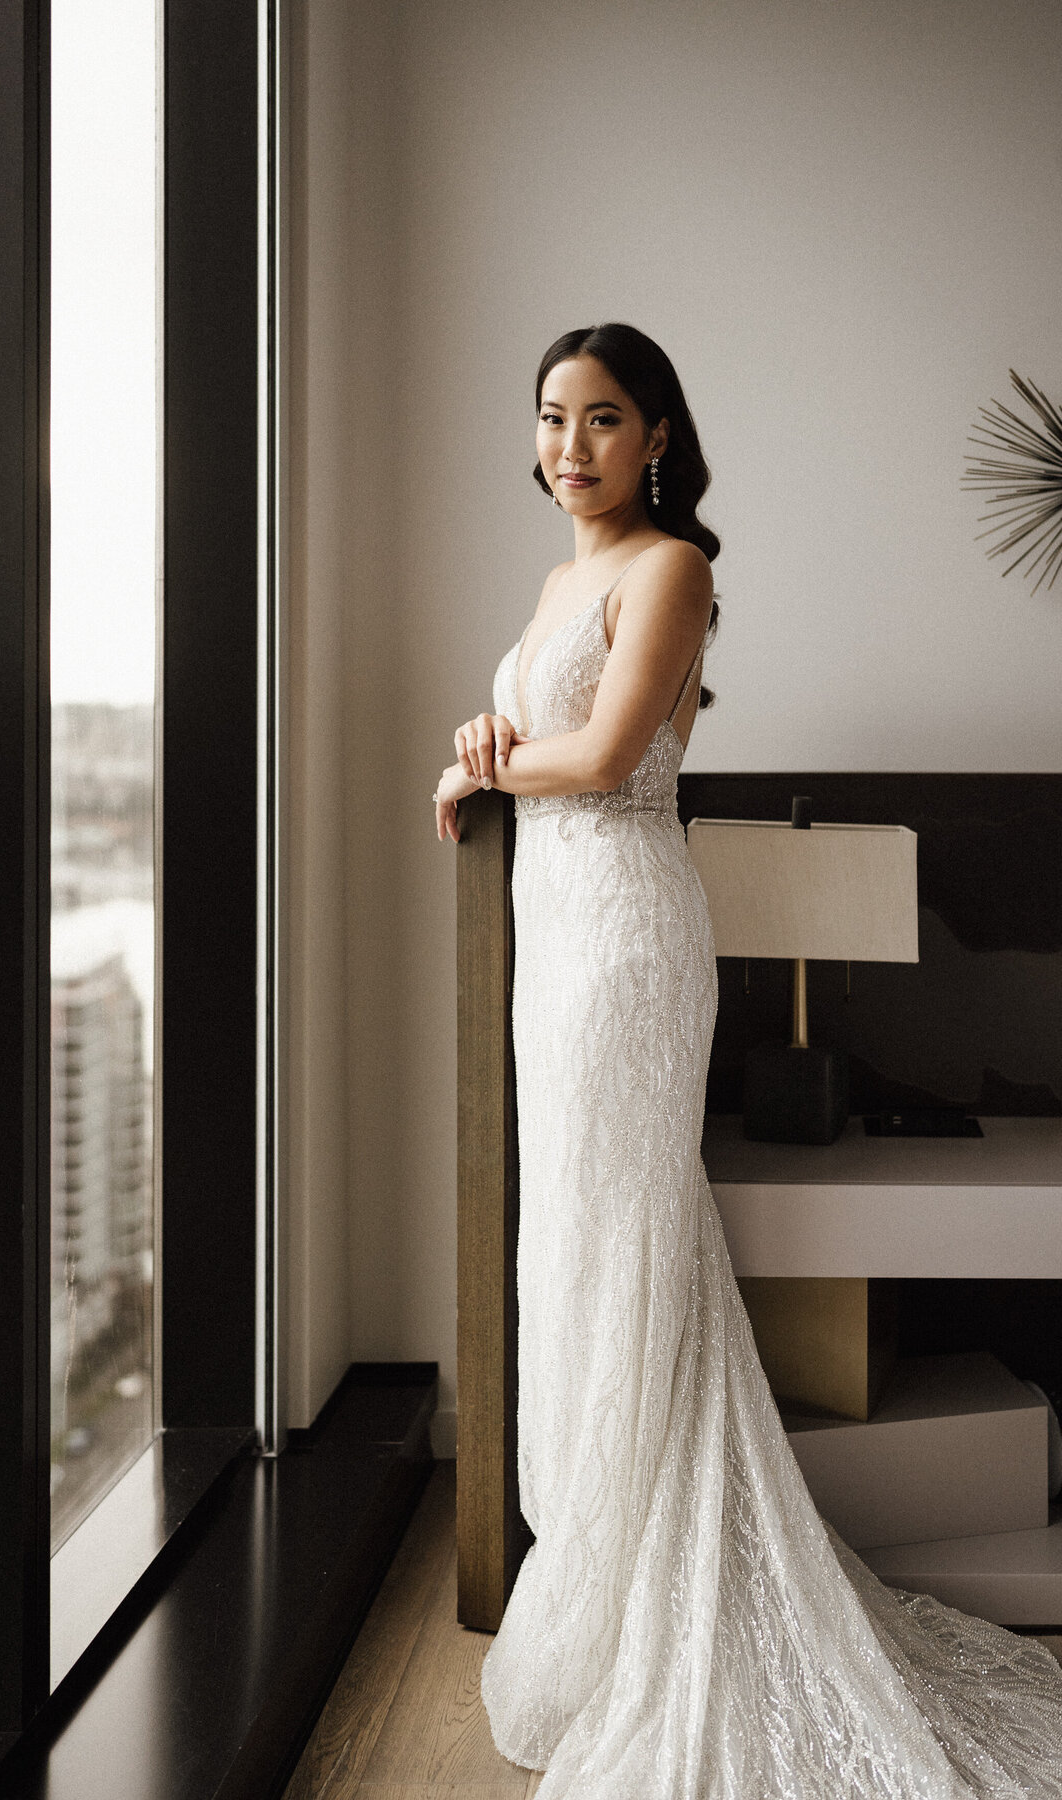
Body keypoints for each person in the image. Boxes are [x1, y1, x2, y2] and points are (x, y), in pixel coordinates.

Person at [432, 322, 1062, 1797]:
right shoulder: (554, 580)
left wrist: (479, 765)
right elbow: (534, 733)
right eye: (549, 418)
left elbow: (596, 762)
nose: (569, 446)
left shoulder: (674, 569)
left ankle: (666, 1598)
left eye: (600, 419)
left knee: (630, 1242)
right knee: (576, 1253)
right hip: (552, 941)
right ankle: (598, 1580)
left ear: (656, 436)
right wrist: (482, 736)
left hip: (630, 940)